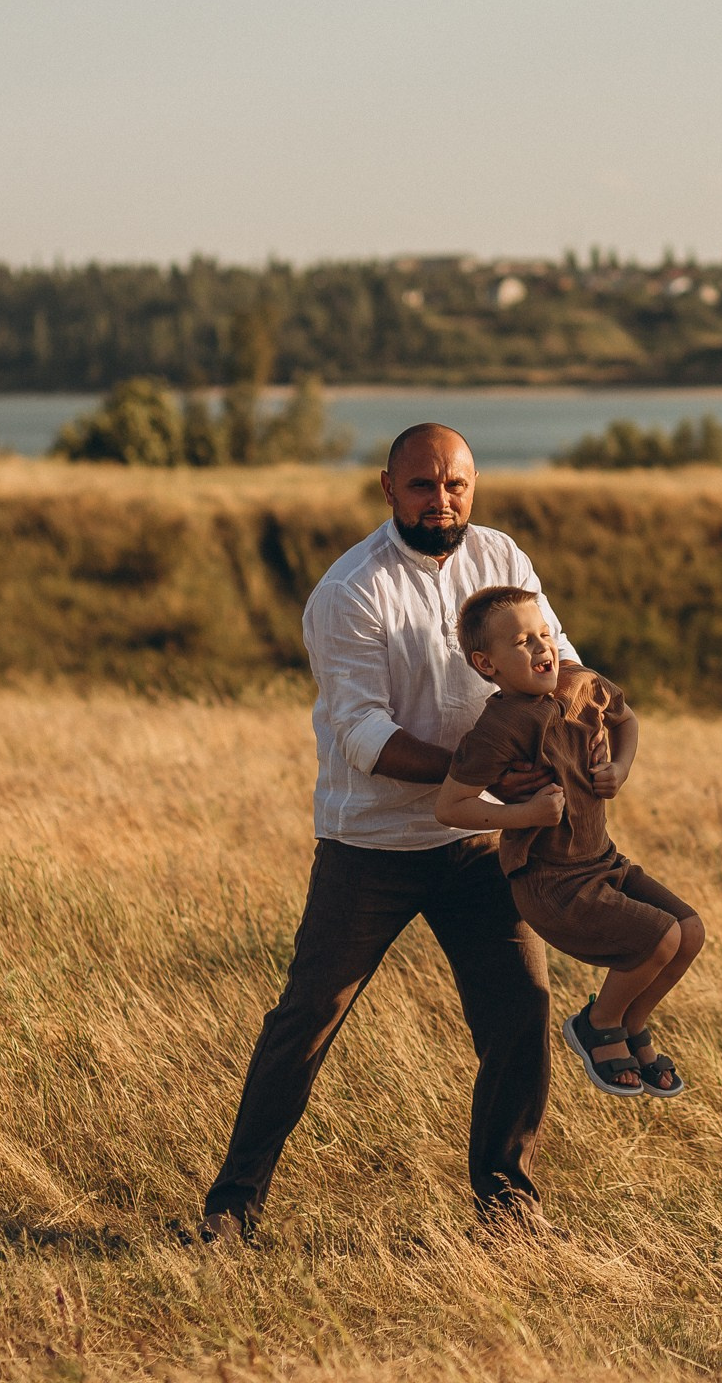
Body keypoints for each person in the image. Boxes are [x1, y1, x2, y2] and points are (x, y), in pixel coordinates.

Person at [200, 423, 576, 1244]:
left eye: (456, 485)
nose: (441, 501)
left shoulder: (504, 560)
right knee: (307, 1020)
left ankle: (507, 1211)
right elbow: (364, 737)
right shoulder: (351, 591)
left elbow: (557, 659)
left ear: (474, 485)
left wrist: (587, 720)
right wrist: (478, 770)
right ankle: (232, 1210)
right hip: (371, 847)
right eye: (422, 485)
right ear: (387, 488)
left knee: (521, 1010)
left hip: (480, 843)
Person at [436, 587, 703, 1098]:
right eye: (521, 642)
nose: (542, 649)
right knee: (660, 936)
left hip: (603, 861)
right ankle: (595, 1023)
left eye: (544, 635)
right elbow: (451, 806)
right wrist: (524, 813)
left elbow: (628, 722)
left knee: (689, 931)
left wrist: (619, 769)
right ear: (485, 663)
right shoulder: (500, 727)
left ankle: (630, 1023)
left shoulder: (583, 684)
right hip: (550, 881)